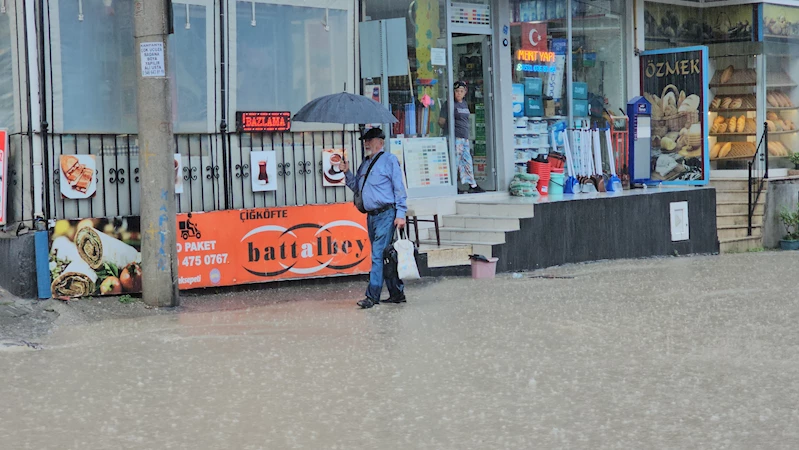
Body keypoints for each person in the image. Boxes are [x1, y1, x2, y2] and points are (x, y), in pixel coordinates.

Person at [341, 128, 407, 309]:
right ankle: (396, 293)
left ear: (380, 142)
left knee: (378, 254)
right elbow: (357, 188)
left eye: (369, 140)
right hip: (372, 217)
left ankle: (372, 295)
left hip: (386, 214)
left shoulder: (390, 160)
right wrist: (347, 173)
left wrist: (401, 214)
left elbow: (399, 188)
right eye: (364, 140)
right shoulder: (365, 164)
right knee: (385, 256)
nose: (366, 143)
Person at [438, 80, 485, 194]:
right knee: (454, 162)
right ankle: (452, 185)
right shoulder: (448, 104)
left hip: (464, 138)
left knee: (466, 161)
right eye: (456, 91)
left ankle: (472, 184)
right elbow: (441, 121)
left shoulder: (463, 104)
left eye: (461, 91)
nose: (458, 93)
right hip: (454, 137)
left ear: (465, 92)